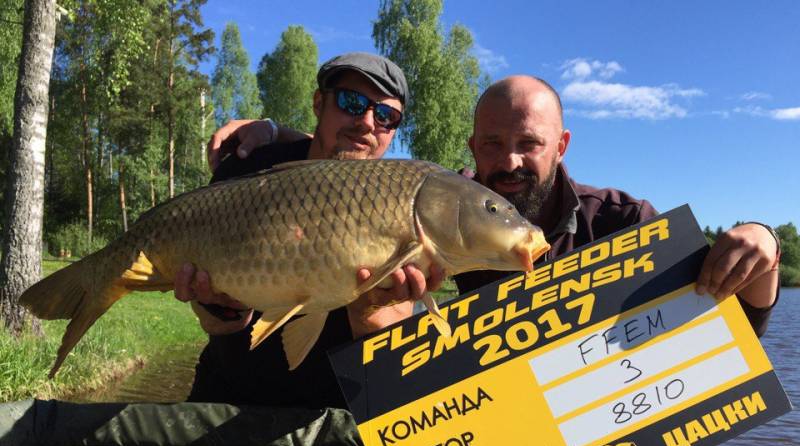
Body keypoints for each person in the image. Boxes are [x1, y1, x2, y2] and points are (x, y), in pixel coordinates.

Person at [213, 75, 780, 336]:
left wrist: (763, 246)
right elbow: (337, 182)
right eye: (492, 144)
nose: (509, 161)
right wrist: (274, 133)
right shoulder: (438, 206)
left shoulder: (620, 220)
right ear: (473, 148)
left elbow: (732, 318)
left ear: (560, 147)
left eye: (529, 144)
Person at [176, 52, 443, 406]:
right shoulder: (252, 167)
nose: (366, 122)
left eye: (385, 116)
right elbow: (217, 325)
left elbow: (393, 386)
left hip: (328, 419)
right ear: (319, 103)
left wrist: (374, 323)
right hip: (224, 402)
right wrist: (219, 305)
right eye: (351, 102)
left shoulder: (405, 207)